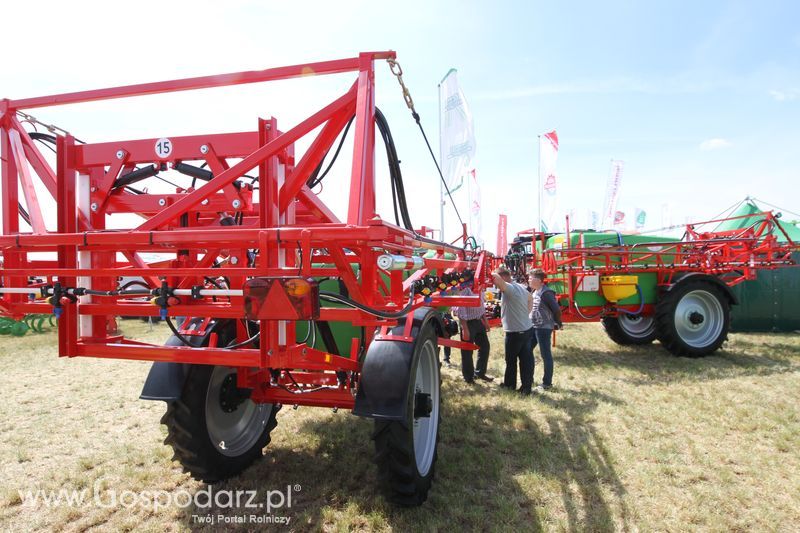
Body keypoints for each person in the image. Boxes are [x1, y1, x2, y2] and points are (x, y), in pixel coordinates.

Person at [492, 266, 534, 395]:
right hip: (526, 329)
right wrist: (525, 314)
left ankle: (510, 385)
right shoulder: (520, 287)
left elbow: (497, 279)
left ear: (504, 277)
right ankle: (526, 388)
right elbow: (530, 299)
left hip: (515, 333)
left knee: (511, 361)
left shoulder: (509, 288)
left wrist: (489, 271)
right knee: (526, 360)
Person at [451, 276, 493, 384]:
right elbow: (461, 309)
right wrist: (465, 329)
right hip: (467, 323)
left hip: (478, 321)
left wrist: (485, 321)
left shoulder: (480, 288)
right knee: (467, 351)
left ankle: (480, 373)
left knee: (485, 347)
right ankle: (468, 378)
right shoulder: (465, 290)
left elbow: (481, 304)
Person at [528, 268, 563, 391]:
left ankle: (547, 383)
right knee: (527, 351)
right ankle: (529, 378)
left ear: (539, 280)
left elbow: (557, 309)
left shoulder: (546, 293)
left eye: (530, 278)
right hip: (533, 327)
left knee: (545, 355)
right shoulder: (535, 291)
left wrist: (558, 322)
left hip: (543, 328)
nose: (529, 280)